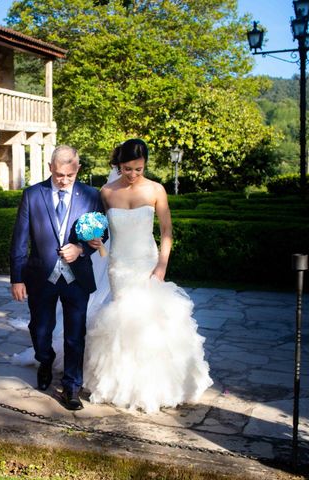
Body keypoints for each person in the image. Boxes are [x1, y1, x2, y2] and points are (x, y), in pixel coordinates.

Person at [83, 138, 212, 412]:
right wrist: (97, 241)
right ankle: (122, 383)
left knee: (150, 322)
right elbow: (102, 230)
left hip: (147, 263)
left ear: (145, 166)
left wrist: (162, 265)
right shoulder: (106, 192)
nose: (132, 174)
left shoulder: (156, 190)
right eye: (127, 168)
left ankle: (156, 385)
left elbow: (167, 232)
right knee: (124, 318)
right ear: (119, 164)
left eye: (138, 169)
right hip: (119, 265)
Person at [10, 145, 105, 411]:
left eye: (69, 175)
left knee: (75, 335)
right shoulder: (32, 195)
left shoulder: (91, 195)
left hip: (77, 277)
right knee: (40, 329)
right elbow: (19, 241)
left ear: (78, 170)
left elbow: (101, 232)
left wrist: (82, 248)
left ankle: (72, 387)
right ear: (50, 167)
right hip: (41, 276)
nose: (63, 180)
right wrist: (17, 278)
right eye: (59, 174)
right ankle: (45, 359)